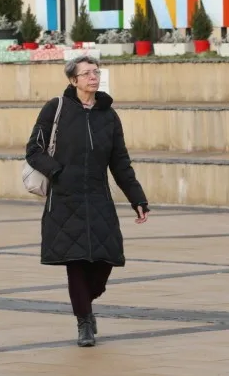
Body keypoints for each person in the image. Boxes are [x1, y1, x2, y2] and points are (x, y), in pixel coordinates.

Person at [25, 55, 150, 348]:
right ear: (74, 80)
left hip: (98, 197)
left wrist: (137, 198)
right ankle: (84, 321)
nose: (93, 77)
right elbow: (34, 150)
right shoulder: (55, 109)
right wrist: (57, 172)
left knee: (105, 261)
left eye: (96, 72)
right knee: (76, 263)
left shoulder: (108, 115)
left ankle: (86, 301)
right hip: (65, 199)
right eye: (87, 73)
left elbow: (120, 162)